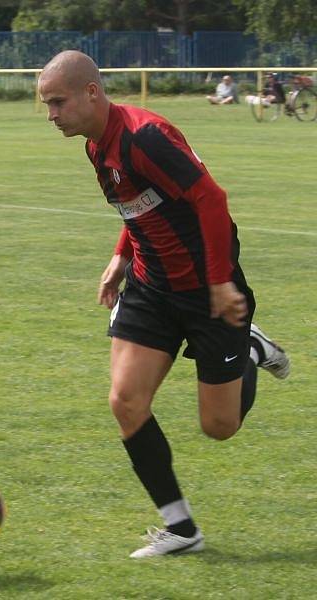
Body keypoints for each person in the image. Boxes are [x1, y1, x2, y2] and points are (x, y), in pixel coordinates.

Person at [38, 50, 290, 558]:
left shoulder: (146, 135)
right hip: (152, 289)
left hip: (207, 291)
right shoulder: (94, 144)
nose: (51, 115)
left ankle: (248, 350)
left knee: (219, 427)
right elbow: (140, 205)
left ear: (92, 92)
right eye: (46, 105)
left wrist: (220, 283)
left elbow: (210, 200)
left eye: (58, 102)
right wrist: (119, 257)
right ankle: (180, 527)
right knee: (125, 401)